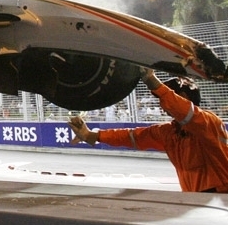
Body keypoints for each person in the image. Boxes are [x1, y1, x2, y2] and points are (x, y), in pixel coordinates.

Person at [68, 69, 228, 193]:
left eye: (164, 99)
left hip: (221, 198)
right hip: (196, 200)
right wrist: (91, 135)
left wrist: (151, 80)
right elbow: (132, 136)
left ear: (183, 96)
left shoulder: (209, 122)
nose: (161, 105)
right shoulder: (170, 132)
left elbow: (182, 109)